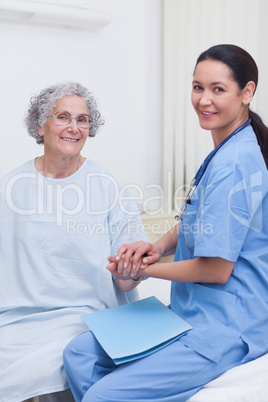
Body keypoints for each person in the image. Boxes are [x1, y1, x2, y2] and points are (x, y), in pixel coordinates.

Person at [63, 44, 268, 401]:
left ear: (246, 92)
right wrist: (156, 247)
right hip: (192, 311)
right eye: (197, 87)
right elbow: (197, 221)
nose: (204, 100)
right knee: (78, 355)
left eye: (218, 89)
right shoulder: (226, 149)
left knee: (103, 395)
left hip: (227, 327)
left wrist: (143, 269)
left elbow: (217, 268)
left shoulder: (235, 162)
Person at [0, 81, 148, 402]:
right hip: (17, 321)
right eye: (63, 117)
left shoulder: (109, 187)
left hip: (88, 319)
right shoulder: (9, 188)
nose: (74, 127)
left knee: (58, 362)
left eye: (82, 120)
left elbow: (129, 279)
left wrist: (130, 270)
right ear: (41, 125)